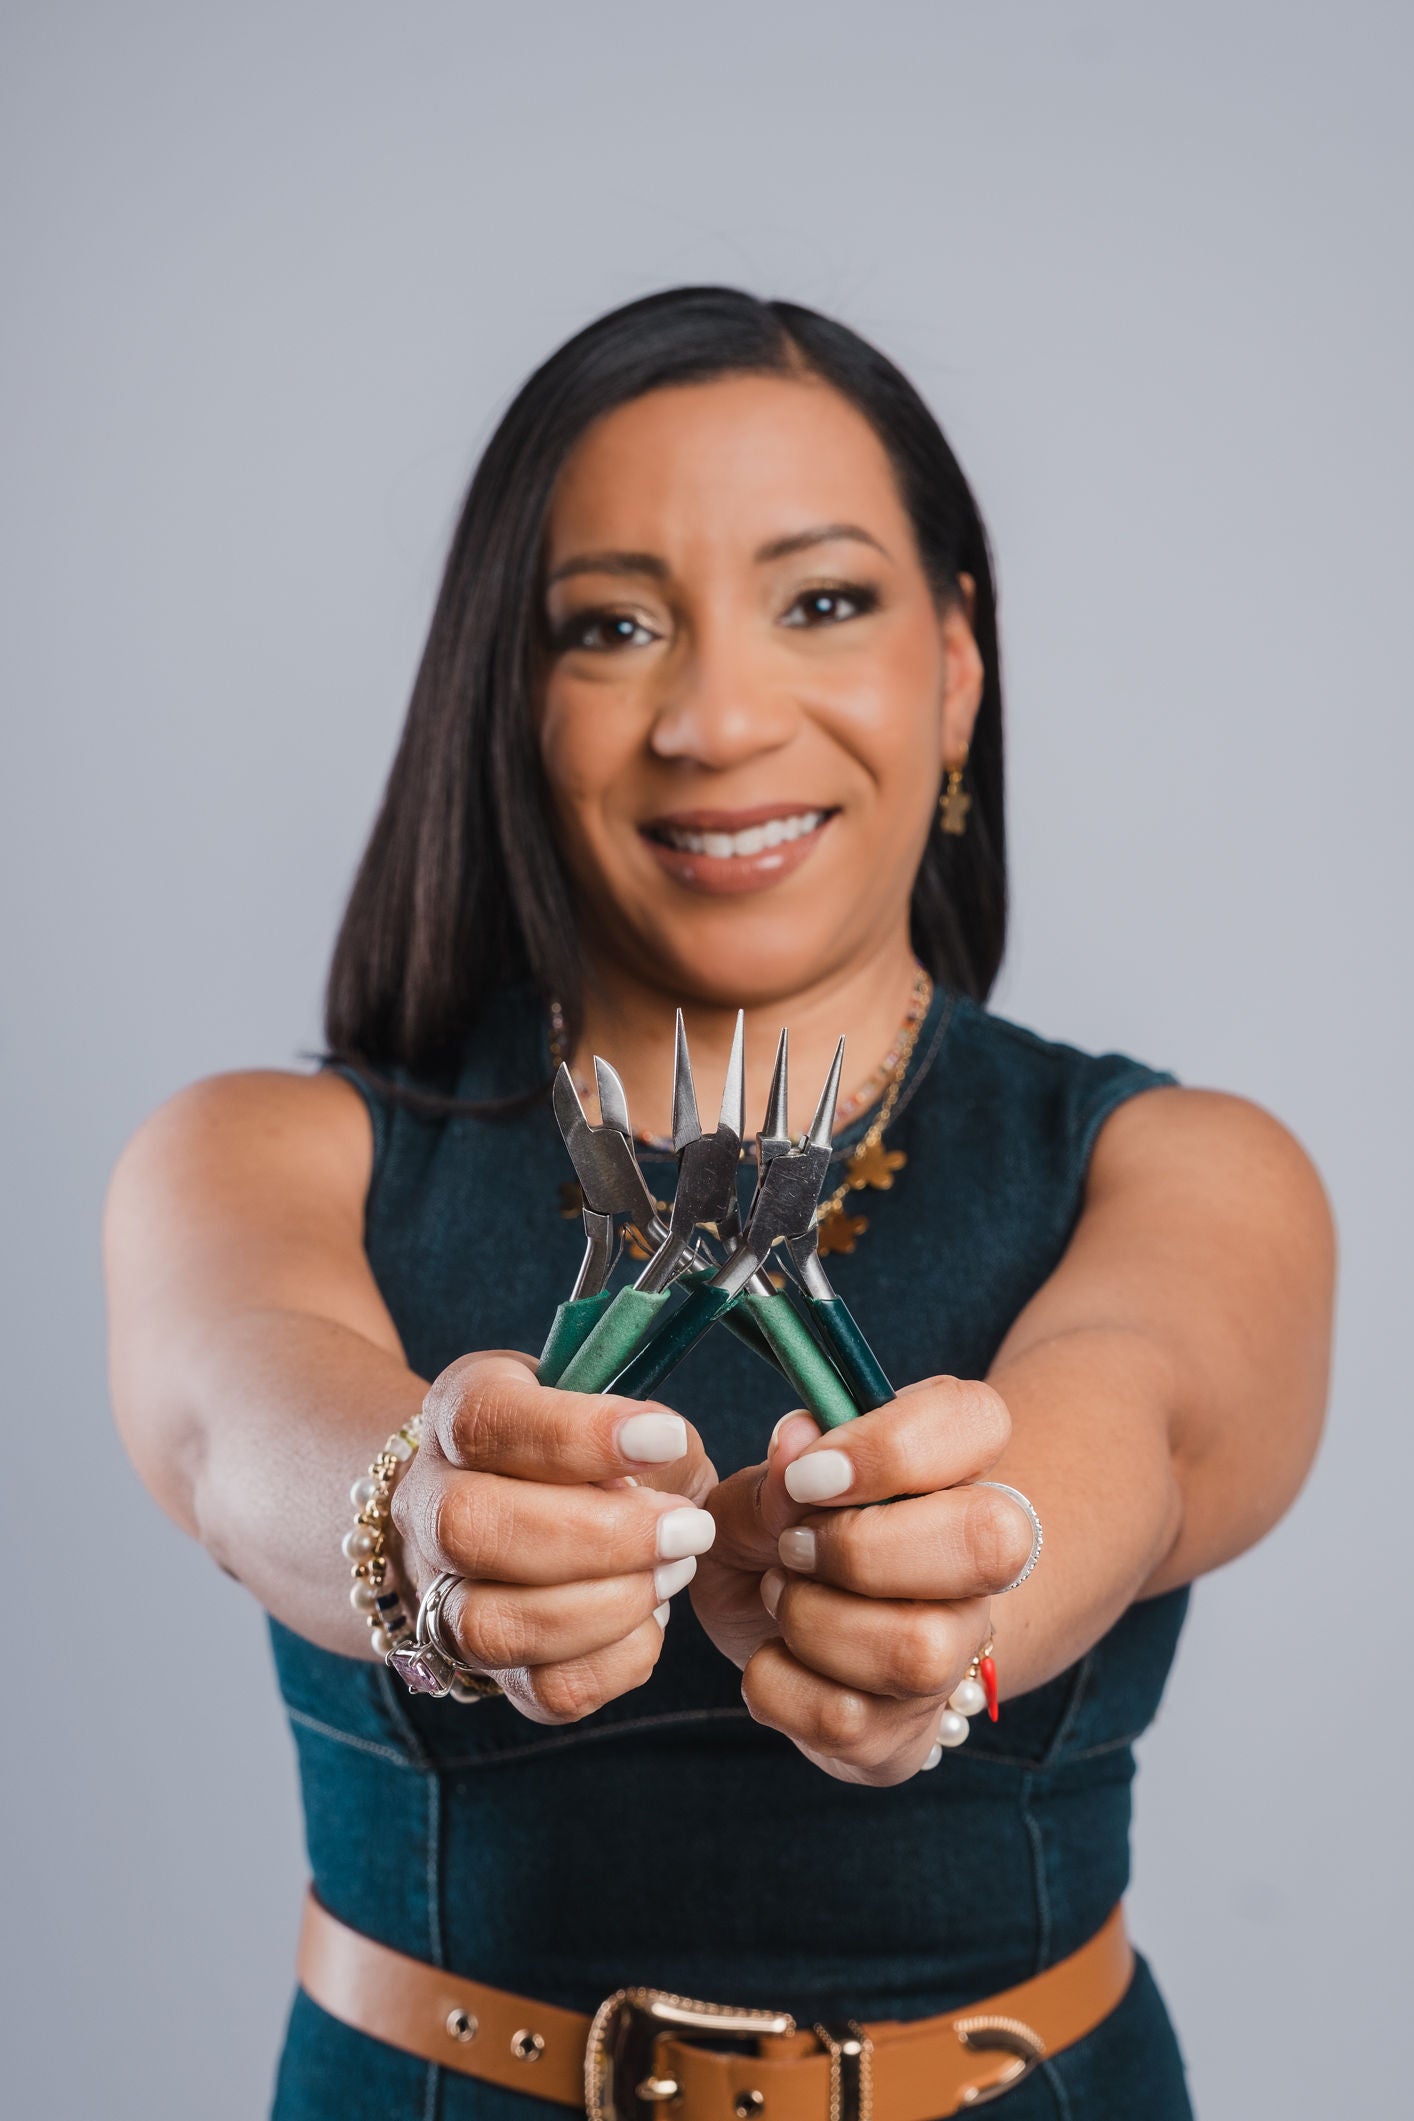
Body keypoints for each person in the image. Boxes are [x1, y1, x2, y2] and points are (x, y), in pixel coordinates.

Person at [104, 287, 1334, 2121]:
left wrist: (960, 1581)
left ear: (955, 666)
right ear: (511, 699)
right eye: (611, 625)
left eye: (820, 600)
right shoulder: (255, 1153)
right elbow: (236, 1429)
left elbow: (1129, 1431)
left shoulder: (1186, 1168)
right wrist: (420, 1520)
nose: (718, 718)